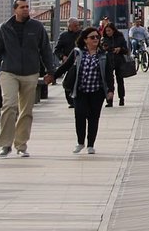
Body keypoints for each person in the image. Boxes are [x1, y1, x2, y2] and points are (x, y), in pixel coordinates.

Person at [0, 0, 56, 158]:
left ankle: (21, 145)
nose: (25, 9)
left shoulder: (37, 28)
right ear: (14, 9)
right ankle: (5, 144)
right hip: (9, 72)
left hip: (30, 73)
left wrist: (51, 71)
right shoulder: (4, 28)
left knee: (26, 110)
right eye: (22, 7)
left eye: (27, 7)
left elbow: (45, 50)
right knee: (9, 106)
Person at [53, 25, 115, 154]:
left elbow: (109, 74)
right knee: (79, 115)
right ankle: (80, 142)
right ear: (85, 40)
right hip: (80, 90)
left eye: (97, 37)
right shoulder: (77, 53)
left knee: (94, 117)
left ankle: (91, 144)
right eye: (92, 37)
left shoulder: (103, 55)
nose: (95, 39)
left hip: (97, 92)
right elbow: (65, 66)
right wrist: (52, 77)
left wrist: (111, 90)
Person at [54, 18, 82, 108]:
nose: (77, 27)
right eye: (75, 26)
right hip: (68, 63)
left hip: (81, 61)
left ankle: (78, 99)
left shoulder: (82, 34)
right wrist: (62, 56)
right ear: (69, 26)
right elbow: (57, 50)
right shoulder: (63, 36)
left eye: (78, 25)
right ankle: (70, 101)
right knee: (68, 81)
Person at [99, 23, 129, 107]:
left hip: (119, 61)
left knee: (120, 80)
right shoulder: (103, 39)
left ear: (113, 30)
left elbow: (126, 50)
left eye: (109, 30)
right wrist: (106, 49)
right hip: (108, 61)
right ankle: (109, 100)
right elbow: (101, 50)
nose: (108, 32)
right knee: (109, 81)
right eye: (106, 31)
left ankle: (121, 98)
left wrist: (120, 49)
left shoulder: (120, 37)